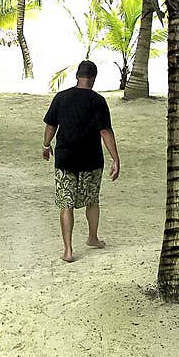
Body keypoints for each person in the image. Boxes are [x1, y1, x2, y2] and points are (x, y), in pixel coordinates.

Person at [42, 60, 120, 262]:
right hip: (91, 159)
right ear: (93, 78)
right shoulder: (98, 101)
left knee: (66, 204)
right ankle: (92, 238)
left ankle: (68, 250)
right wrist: (115, 158)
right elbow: (104, 131)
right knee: (92, 200)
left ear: (77, 76)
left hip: (65, 158)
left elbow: (51, 124)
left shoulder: (61, 97)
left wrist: (45, 144)